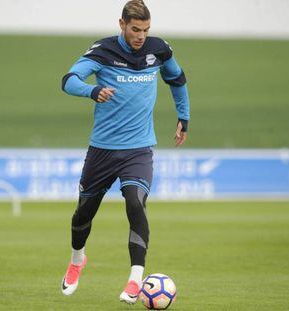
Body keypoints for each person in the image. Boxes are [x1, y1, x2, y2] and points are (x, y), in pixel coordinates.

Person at [60, 0, 190, 304]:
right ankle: (77, 259)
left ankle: (135, 278)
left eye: (145, 29)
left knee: (135, 202)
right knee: (83, 214)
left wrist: (183, 117)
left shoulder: (159, 50)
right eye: (135, 29)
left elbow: (178, 79)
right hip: (102, 151)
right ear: (121, 25)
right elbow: (68, 81)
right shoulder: (103, 51)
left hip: (139, 150)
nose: (141, 35)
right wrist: (92, 91)